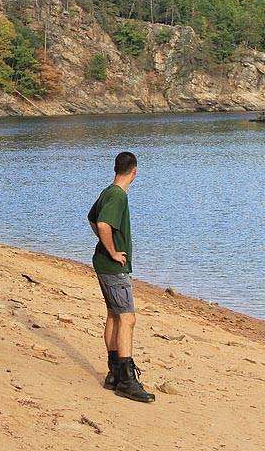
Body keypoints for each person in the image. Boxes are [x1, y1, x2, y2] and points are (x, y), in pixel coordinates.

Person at [87, 151, 155, 403]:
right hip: (113, 268)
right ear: (134, 171)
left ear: (115, 168)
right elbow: (103, 224)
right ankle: (126, 379)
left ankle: (114, 373)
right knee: (128, 318)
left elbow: (92, 218)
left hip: (104, 264)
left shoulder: (108, 191)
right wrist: (113, 250)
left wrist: (105, 247)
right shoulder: (117, 195)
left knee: (115, 316)